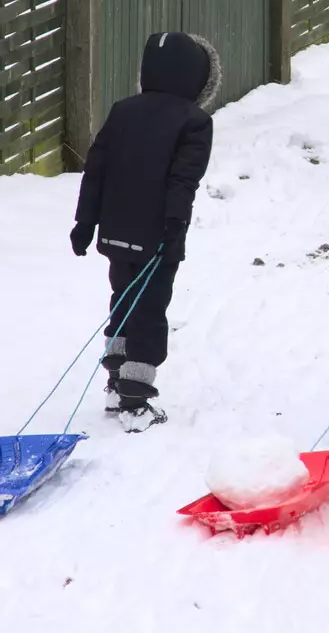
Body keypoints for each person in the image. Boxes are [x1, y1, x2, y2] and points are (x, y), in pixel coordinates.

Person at [71, 31, 220, 432]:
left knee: (122, 300)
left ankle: (115, 384)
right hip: (157, 236)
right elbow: (182, 179)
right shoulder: (195, 121)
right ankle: (135, 399)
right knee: (150, 310)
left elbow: (96, 170)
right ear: (197, 79)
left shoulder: (123, 110)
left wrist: (84, 222)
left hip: (115, 232)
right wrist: (174, 223)